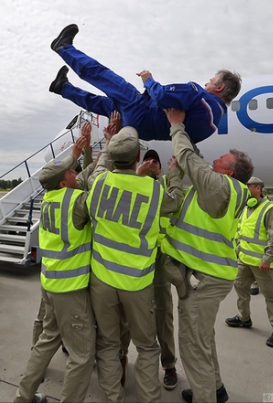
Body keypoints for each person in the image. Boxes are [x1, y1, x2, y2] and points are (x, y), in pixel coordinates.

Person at [161, 107, 253, 403]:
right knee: (204, 338)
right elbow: (191, 169)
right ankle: (215, 388)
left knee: (192, 345)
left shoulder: (218, 186)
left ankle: (204, 396)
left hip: (205, 279)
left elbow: (190, 159)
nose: (214, 160)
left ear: (229, 171)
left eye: (221, 160)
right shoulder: (224, 189)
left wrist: (176, 125)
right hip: (213, 275)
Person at [87, 126, 183, 403]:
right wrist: (174, 173)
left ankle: (113, 396)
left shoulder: (99, 181)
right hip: (138, 282)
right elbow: (174, 203)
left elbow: (98, 170)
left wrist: (107, 145)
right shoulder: (154, 190)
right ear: (138, 157)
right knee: (147, 346)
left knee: (106, 344)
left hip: (103, 281)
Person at [49, 24, 241, 144]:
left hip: (141, 108)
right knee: (102, 105)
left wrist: (148, 80)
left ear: (220, 87)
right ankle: (63, 88)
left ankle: (64, 48)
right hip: (141, 128)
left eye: (212, 80)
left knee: (103, 77)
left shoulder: (200, 96)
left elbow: (162, 95)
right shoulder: (212, 126)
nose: (207, 82)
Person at [14, 136, 97, 403]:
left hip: (50, 283)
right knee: (82, 355)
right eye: (71, 172)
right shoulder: (76, 201)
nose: (76, 173)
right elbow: (94, 180)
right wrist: (107, 150)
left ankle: (23, 396)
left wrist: (78, 153)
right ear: (64, 182)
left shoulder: (51, 197)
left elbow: (80, 176)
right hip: (69, 289)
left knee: (47, 340)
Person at [135, 149, 179, 389]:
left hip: (159, 267)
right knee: (131, 319)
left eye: (155, 161)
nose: (151, 163)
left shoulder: (163, 191)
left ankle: (169, 365)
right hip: (135, 266)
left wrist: (171, 176)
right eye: (147, 160)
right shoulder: (132, 188)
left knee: (164, 318)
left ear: (160, 169)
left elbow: (175, 203)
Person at [225, 177, 273, 348]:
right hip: (244, 260)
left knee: (272, 296)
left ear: (258, 189)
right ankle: (244, 318)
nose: (246, 190)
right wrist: (237, 251)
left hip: (262, 264)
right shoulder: (246, 207)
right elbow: (241, 232)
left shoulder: (270, 209)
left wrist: (267, 259)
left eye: (248, 187)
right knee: (240, 287)